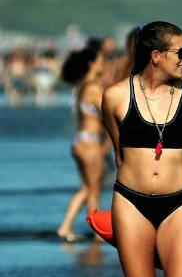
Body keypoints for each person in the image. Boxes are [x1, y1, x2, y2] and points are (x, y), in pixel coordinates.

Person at [101, 21, 182, 276]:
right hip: (131, 203)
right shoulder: (115, 96)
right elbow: (120, 155)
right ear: (156, 56)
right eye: (181, 52)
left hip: (180, 203)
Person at [57, 46, 108, 242]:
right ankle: (97, 234)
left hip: (80, 141)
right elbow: (109, 113)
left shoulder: (81, 86)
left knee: (87, 188)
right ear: (91, 64)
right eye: (101, 61)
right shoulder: (94, 87)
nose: (104, 64)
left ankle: (65, 226)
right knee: (94, 190)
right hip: (91, 142)